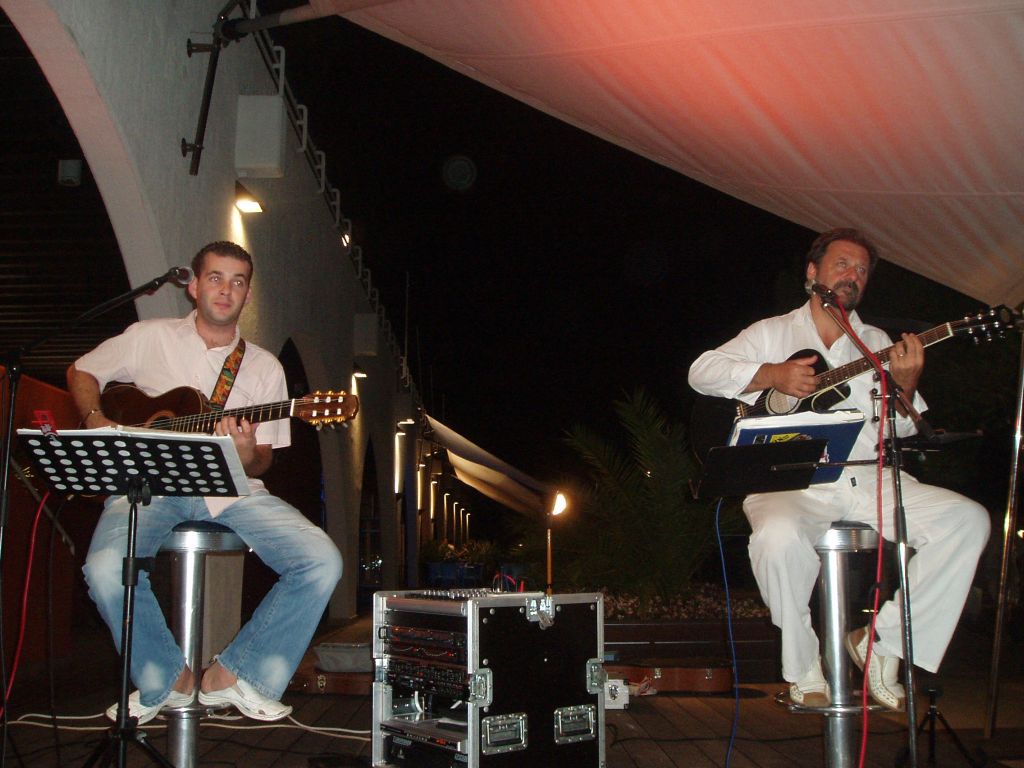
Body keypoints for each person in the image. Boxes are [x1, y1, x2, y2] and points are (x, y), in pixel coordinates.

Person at [688, 228, 989, 710]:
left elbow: (901, 430)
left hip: (865, 475)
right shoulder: (772, 333)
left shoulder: (876, 343)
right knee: (776, 539)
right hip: (788, 478)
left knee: (967, 520)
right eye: (843, 265)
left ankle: (882, 642)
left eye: (862, 270)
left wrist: (906, 386)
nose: (853, 275)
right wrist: (771, 374)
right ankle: (804, 666)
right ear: (813, 273)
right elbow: (701, 371)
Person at [68, 241, 343, 724]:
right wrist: (96, 419)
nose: (226, 290)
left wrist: (246, 453)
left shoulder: (264, 367)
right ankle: (165, 679)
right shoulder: (149, 337)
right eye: (215, 277)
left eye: (238, 282)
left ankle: (234, 677)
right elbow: (81, 370)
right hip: (149, 484)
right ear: (193, 286)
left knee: (322, 560)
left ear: (247, 295)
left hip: (232, 489)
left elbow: (262, 462)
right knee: (106, 567)